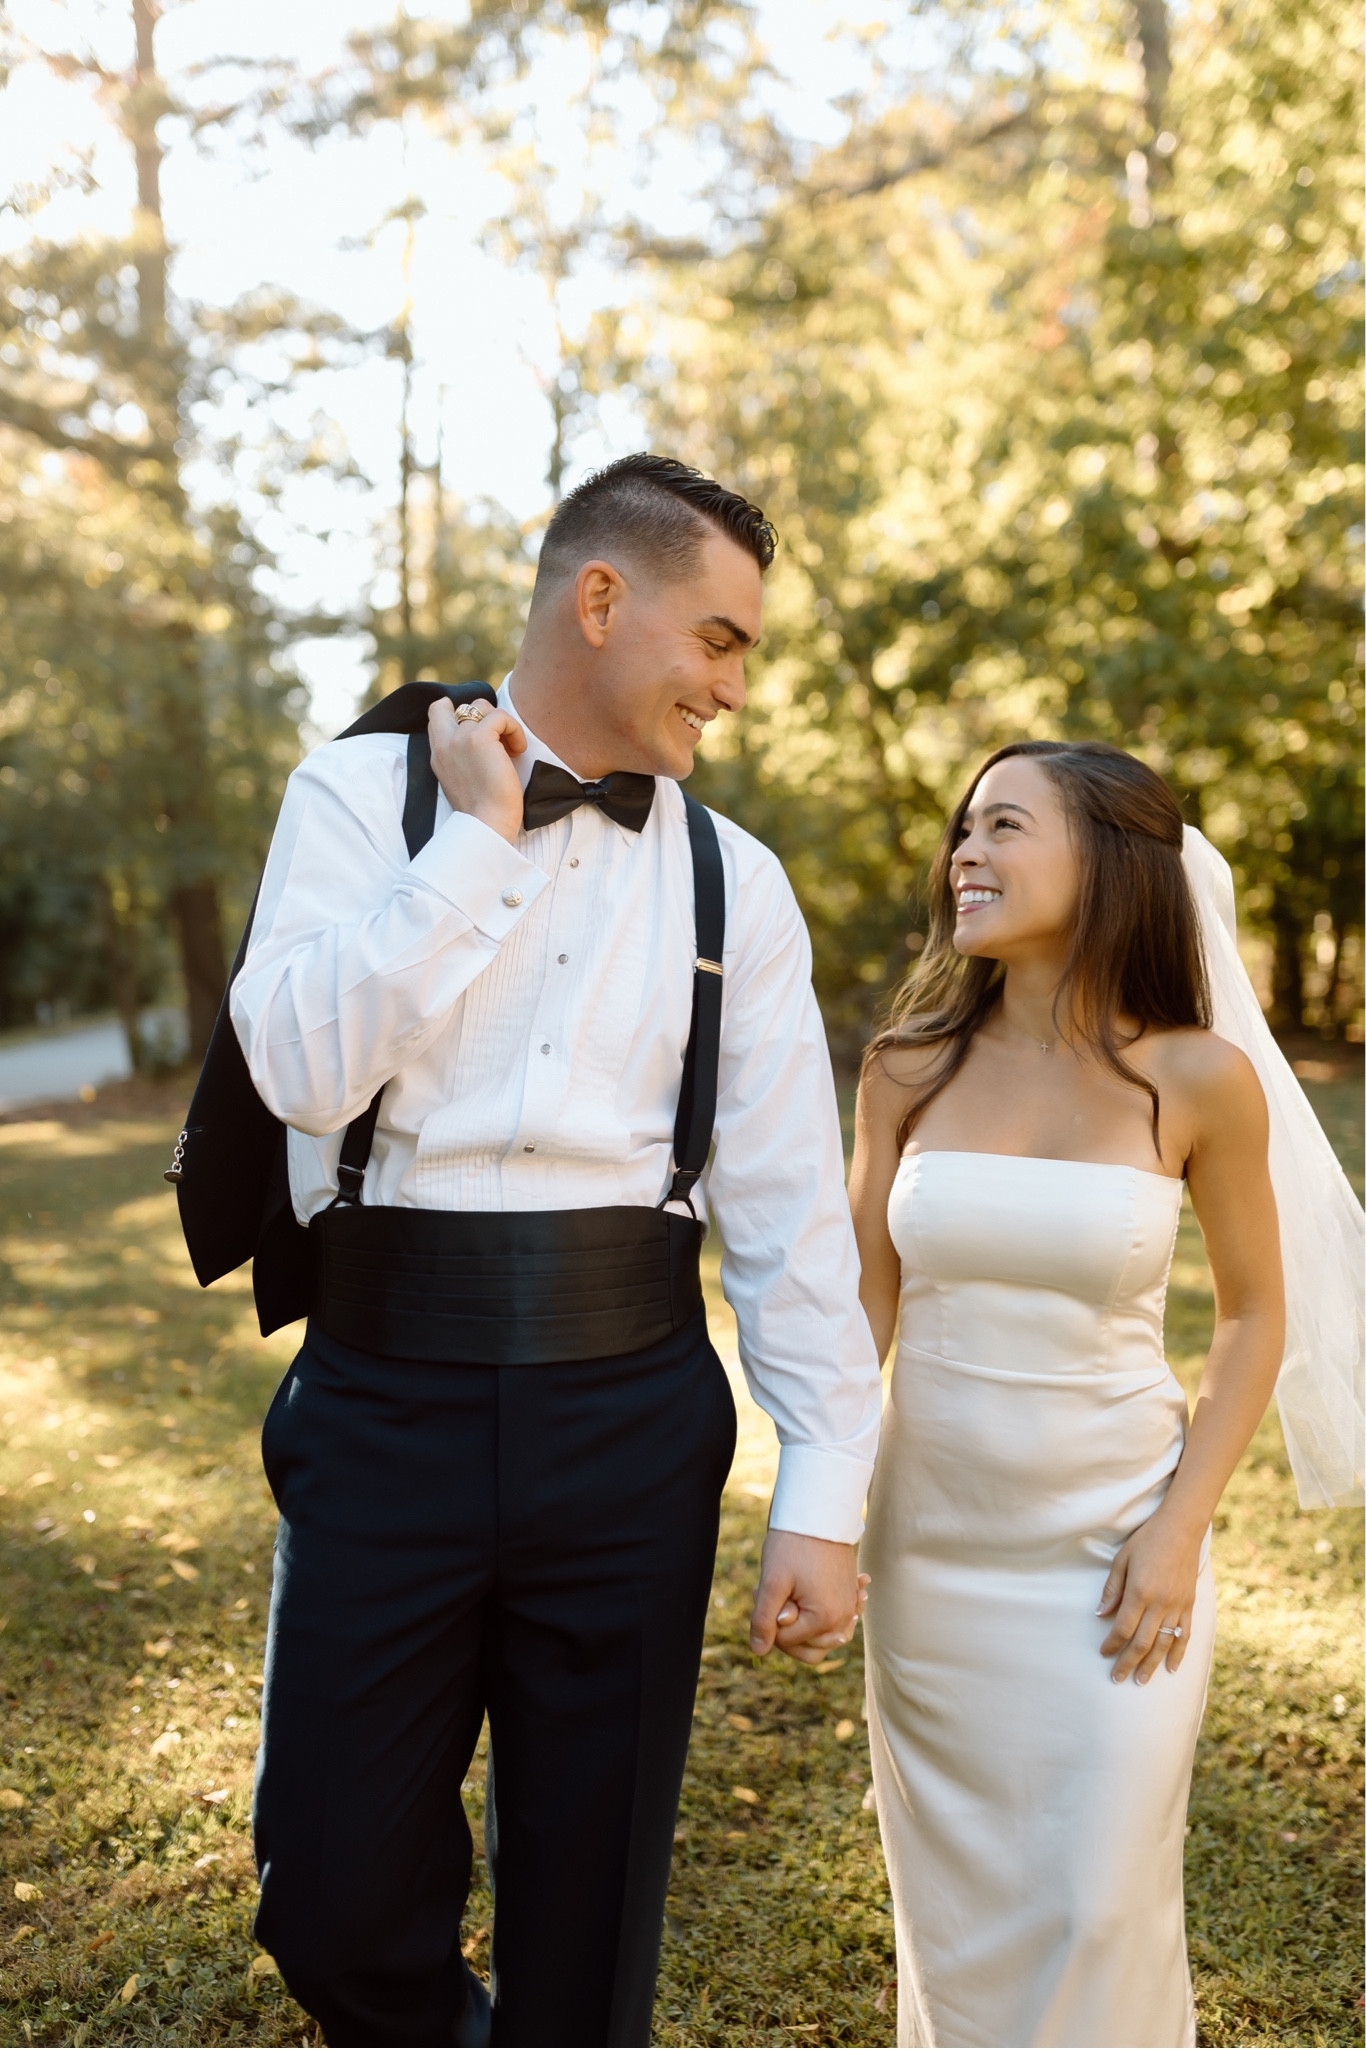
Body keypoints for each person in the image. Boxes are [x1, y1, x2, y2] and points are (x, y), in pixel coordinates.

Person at [228, 454, 884, 2048]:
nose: (732, 684)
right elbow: (300, 1073)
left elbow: (791, 1208)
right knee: (324, 1885)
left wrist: (821, 1494)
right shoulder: (353, 799)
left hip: (630, 1420)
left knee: (590, 1919)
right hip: (383, 1398)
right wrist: (473, 849)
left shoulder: (743, 883)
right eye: (719, 638)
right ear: (601, 599)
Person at [851, 738, 1362, 2049]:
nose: (966, 852)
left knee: (1095, 1901)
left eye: (1004, 826)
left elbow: (1252, 1315)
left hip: (1111, 1553)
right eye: (963, 829)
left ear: (1111, 864)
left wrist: (1177, 1527)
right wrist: (818, 1507)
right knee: (956, 1920)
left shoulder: (1195, 1077)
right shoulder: (905, 1067)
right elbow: (860, 1308)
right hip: (932, 1559)